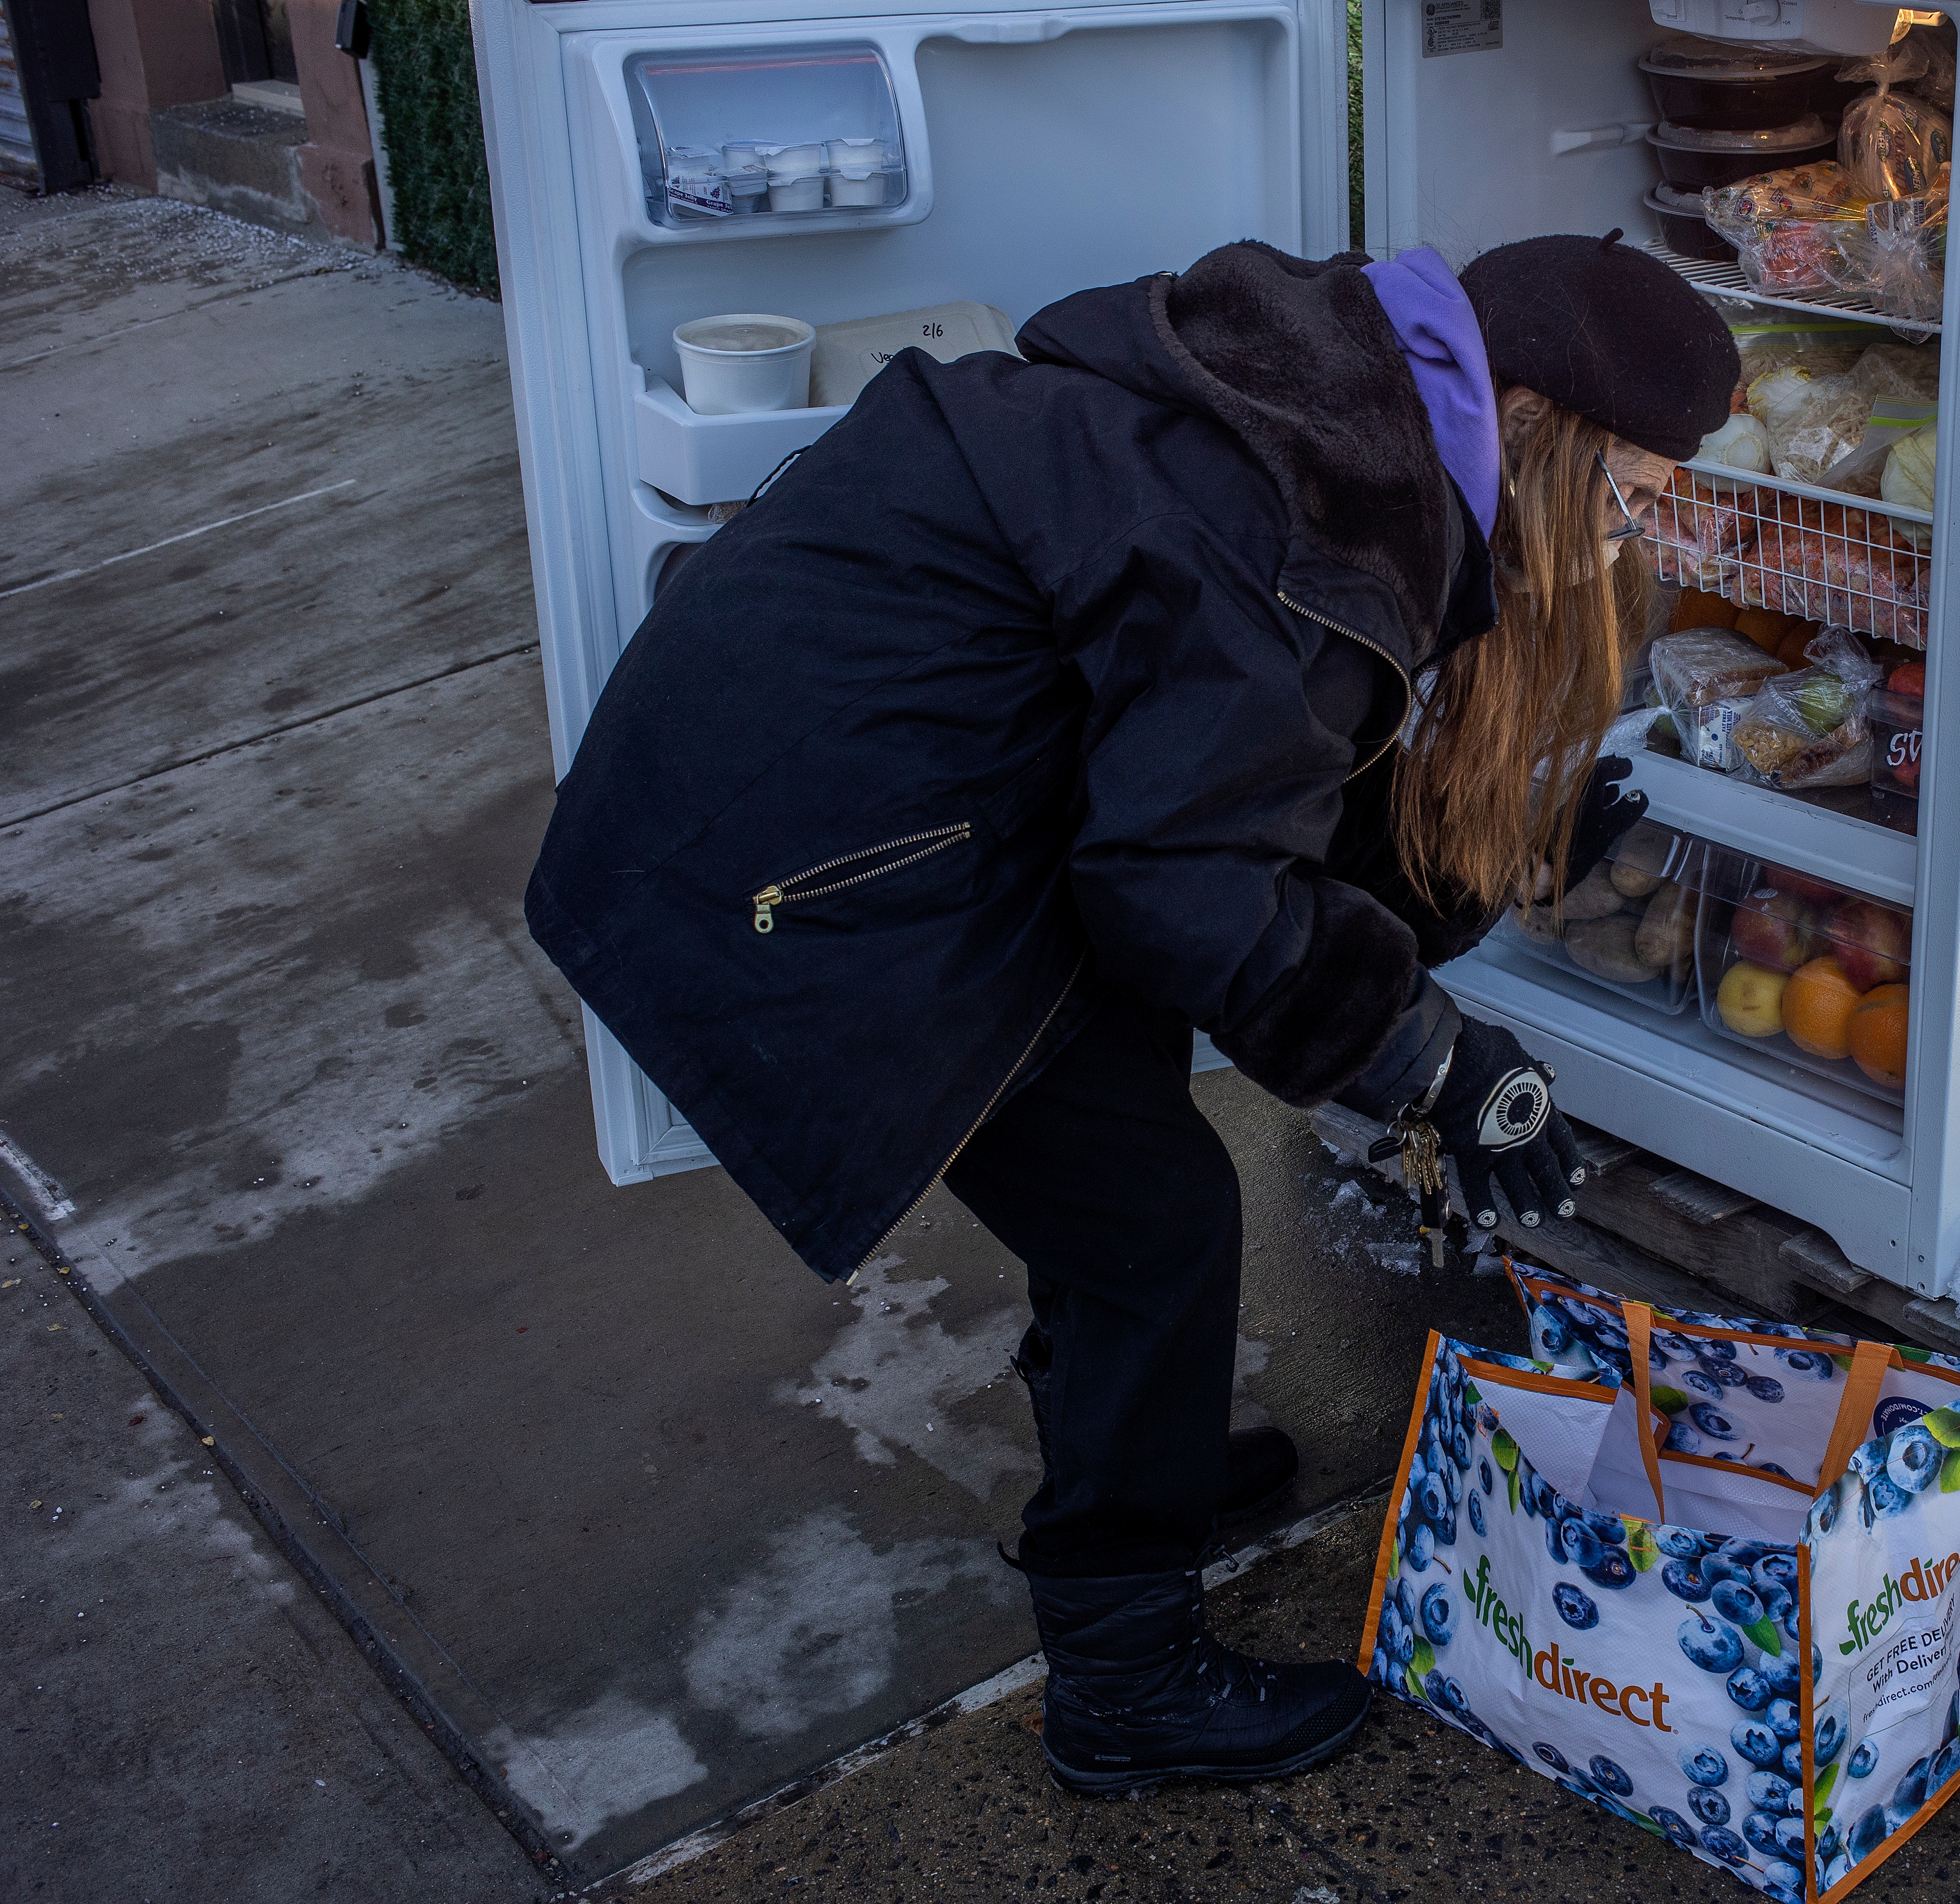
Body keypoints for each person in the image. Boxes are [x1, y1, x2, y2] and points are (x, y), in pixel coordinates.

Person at [525, 232, 1740, 1792]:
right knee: (1149, 1220)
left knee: (1128, 1175)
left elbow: (1271, 799)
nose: (1632, 537)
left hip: (918, 805)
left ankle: (1135, 1454)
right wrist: (1434, 1066)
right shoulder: (1303, 515)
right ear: (1534, 429)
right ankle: (1126, 1682)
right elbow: (1188, 888)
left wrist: (1499, 860)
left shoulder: (1347, 419)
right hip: (804, 847)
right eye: (1632, 494)